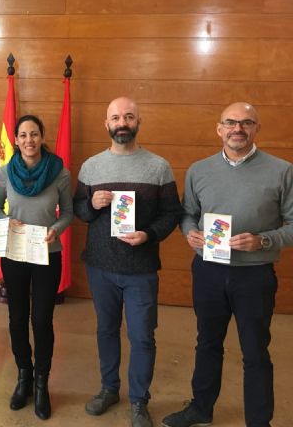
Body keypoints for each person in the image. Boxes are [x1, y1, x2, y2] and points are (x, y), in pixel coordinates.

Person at [161, 102, 293, 427]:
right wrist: (190, 232)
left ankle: (259, 421)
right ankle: (201, 408)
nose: (238, 129)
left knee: (255, 350)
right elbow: (188, 213)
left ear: (256, 128)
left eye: (246, 123)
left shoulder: (282, 171)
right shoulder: (199, 170)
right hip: (209, 271)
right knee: (207, 342)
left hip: (255, 276)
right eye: (231, 122)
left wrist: (263, 241)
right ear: (219, 129)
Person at [74, 97, 182, 427]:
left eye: (129, 117)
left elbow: (172, 213)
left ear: (138, 122)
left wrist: (149, 234)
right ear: (107, 124)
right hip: (100, 267)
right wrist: (91, 204)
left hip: (141, 268)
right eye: (116, 117)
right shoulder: (91, 167)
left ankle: (138, 401)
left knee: (142, 336)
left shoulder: (158, 167)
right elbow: (79, 210)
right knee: (106, 330)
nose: (122, 123)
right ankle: (109, 389)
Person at [0, 114, 73, 420]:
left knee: (41, 319)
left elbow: (68, 212)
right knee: (17, 318)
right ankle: (23, 375)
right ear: (15, 140)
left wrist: (56, 229)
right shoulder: (4, 173)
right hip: (14, 253)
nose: (29, 140)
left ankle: (41, 382)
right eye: (23, 135)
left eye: (34, 134)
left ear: (42, 136)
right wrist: (5, 220)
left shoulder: (59, 171)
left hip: (47, 254)